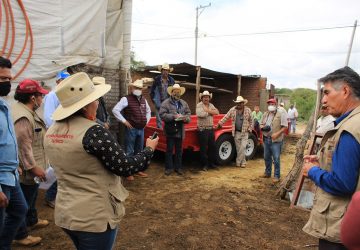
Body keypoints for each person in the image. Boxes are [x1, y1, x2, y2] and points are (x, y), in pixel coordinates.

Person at [43, 72, 158, 250]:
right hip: (93, 217)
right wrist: (149, 149)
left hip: (66, 214)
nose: (97, 103)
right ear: (85, 105)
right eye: (95, 99)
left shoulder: (51, 131)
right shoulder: (94, 132)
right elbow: (125, 167)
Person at [302, 66, 360, 250]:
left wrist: (312, 171)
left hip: (339, 229)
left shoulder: (349, 129)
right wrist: (324, 163)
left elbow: (343, 184)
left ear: (344, 91)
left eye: (327, 93)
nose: (324, 100)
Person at [11, 79, 50, 246]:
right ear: (32, 98)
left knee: (32, 196)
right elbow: (23, 146)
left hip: (36, 163)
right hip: (29, 168)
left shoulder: (27, 110)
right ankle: (20, 235)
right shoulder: (23, 117)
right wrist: (33, 168)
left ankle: (32, 220)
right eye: (40, 95)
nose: (42, 99)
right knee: (22, 203)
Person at [0, 57, 30, 249]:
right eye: (3, 79)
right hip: (1, 179)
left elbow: (7, 140)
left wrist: (16, 163)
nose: (7, 83)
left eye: (9, 79)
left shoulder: (4, 105)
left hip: (9, 173)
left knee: (20, 210)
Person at [112, 79, 151, 181]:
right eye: (136, 88)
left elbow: (148, 111)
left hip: (141, 129)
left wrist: (146, 122)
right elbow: (115, 110)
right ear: (131, 88)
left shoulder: (144, 100)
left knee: (139, 151)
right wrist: (124, 121)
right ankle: (128, 172)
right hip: (132, 129)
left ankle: (137, 170)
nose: (138, 89)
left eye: (139, 88)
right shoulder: (126, 99)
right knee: (129, 151)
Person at [43, 69, 70, 208]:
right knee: (60, 167)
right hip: (57, 136)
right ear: (58, 81)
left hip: (66, 134)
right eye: (63, 80)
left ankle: (57, 194)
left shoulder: (65, 95)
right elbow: (49, 118)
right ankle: (50, 195)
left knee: (64, 166)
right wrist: (58, 133)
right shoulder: (52, 95)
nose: (65, 83)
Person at [159, 83, 191, 176]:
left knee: (179, 150)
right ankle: (169, 168)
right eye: (175, 91)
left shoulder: (184, 103)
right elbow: (162, 115)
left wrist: (185, 118)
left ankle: (178, 168)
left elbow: (189, 114)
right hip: (170, 130)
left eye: (178, 92)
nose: (176, 93)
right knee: (169, 150)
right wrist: (173, 116)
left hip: (180, 131)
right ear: (171, 92)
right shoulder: (165, 103)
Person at [217, 96, 253, 168]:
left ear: (243, 103)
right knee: (238, 148)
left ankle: (238, 161)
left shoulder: (248, 110)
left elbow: (251, 121)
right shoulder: (232, 110)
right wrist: (220, 123)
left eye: (240, 103)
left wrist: (250, 128)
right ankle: (243, 162)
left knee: (243, 147)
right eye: (237, 103)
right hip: (236, 132)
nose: (238, 104)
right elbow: (226, 117)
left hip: (245, 132)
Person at [259, 98, 288, 183]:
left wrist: (277, 134)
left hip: (276, 140)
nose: (270, 106)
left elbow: (285, 127)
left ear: (276, 105)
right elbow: (261, 123)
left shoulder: (281, 114)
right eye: (269, 104)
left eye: (272, 104)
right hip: (266, 138)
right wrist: (262, 127)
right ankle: (267, 173)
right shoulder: (265, 114)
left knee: (276, 158)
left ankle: (276, 176)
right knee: (266, 157)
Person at [196, 90, 219, 171]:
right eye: (205, 97)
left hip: (210, 129)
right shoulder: (199, 105)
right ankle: (204, 165)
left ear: (209, 98)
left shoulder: (211, 105)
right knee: (203, 148)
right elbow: (200, 114)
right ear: (202, 98)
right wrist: (210, 113)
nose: (206, 98)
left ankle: (211, 164)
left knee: (212, 147)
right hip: (202, 130)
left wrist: (207, 111)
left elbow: (217, 112)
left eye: (207, 97)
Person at [150, 63, 175, 128]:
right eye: (164, 70)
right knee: (159, 119)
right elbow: (152, 91)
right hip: (158, 102)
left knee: (168, 118)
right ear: (161, 71)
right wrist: (154, 100)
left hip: (168, 102)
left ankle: (167, 130)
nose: (165, 72)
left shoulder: (172, 80)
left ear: (169, 71)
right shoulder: (157, 79)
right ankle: (160, 133)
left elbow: (174, 91)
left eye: (167, 70)